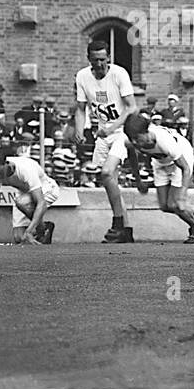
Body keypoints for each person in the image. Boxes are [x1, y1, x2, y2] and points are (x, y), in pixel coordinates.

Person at [75, 39, 138, 243]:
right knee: (110, 182)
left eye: (103, 59)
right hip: (102, 134)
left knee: (107, 172)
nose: (100, 64)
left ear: (108, 58)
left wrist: (112, 127)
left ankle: (117, 223)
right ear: (89, 60)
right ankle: (126, 231)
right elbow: (80, 107)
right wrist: (79, 130)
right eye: (95, 60)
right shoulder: (83, 77)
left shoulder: (119, 74)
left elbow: (131, 107)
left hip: (122, 131)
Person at [122, 113, 194, 244]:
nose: (135, 142)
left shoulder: (165, 141)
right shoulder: (131, 142)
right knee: (165, 206)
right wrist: (138, 180)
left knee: (175, 204)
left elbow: (186, 169)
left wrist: (182, 196)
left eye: (137, 138)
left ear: (146, 132)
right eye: (132, 139)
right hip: (160, 162)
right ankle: (193, 210)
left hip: (181, 158)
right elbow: (133, 158)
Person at [0, 145, 56, 245]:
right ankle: (42, 229)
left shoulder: (25, 169)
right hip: (24, 193)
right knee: (19, 237)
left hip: (47, 188)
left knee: (21, 202)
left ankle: (43, 228)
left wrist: (29, 231)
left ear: (5, 163)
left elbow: (41, 202)